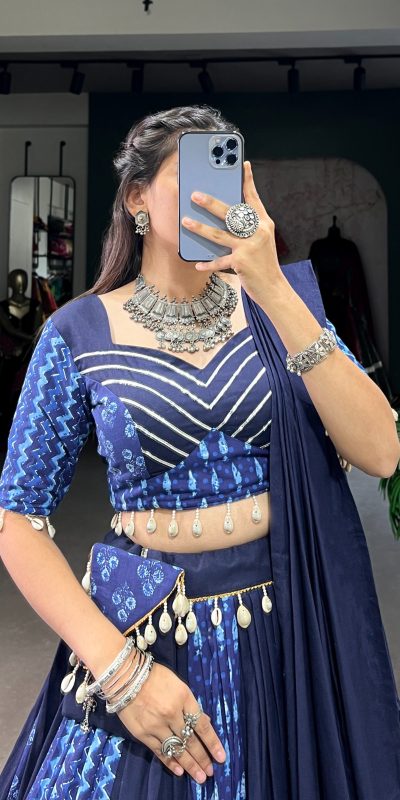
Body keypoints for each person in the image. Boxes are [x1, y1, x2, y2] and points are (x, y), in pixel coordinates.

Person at [0, 103, 399, 800]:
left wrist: (270, 285)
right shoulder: (78, 333)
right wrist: (122, 675)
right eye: (192, 176)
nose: (213, 198)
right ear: (137, 199)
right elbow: (17, 521)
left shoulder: (279, 307)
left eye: (228, 177)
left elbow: (381, 451)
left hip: (286, 632)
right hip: (143, 635)